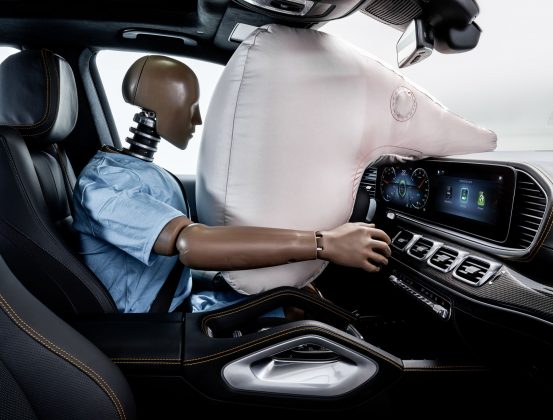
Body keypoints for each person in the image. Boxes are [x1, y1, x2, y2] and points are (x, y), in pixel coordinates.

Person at [72, 55, 392, 313]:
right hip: (154, 326)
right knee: (306, 316)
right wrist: (324, 244)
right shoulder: (108, 186)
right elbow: (190, 244)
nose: (196, 119)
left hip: (179, 303)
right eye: (191, 106)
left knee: (300, 302)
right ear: (160, 105)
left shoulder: (133, 172)